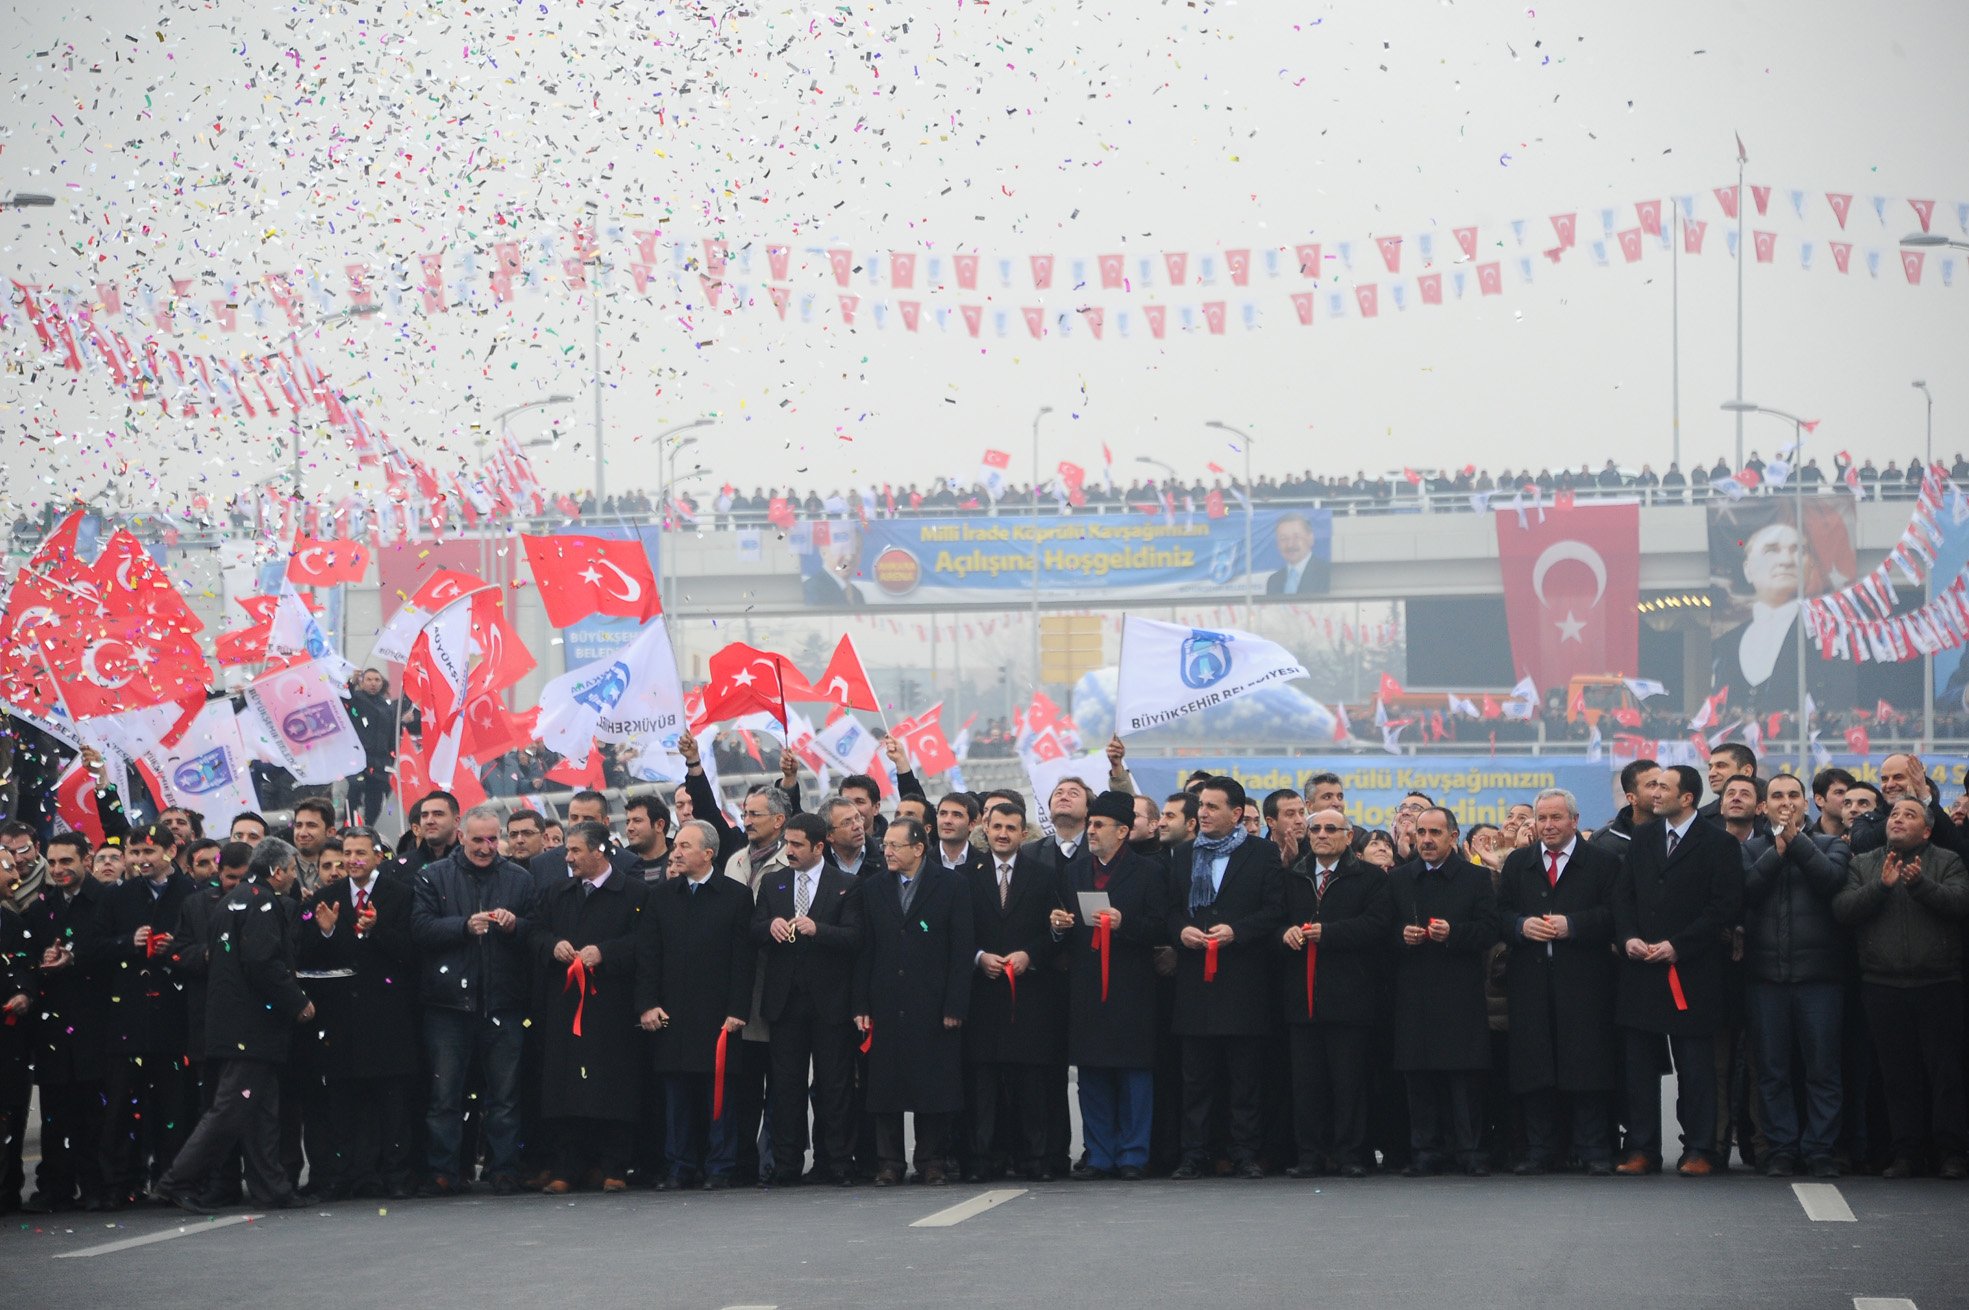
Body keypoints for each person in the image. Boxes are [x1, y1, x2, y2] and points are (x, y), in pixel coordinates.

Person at [151, 839, 315, 1214]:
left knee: (260, 1111)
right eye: (290, 870)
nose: (292, 877)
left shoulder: (233, 899)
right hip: (251, 1028)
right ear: (277, 871)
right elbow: (262, 962)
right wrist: (297, 1001)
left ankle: (272, 1188)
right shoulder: (261, 901)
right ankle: (177, 1181)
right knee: (228, 1111)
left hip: (235, 1026)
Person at [1613, 764, 1745, 1176]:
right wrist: (1629, 936)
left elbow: (1725, 906)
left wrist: (1679, 946)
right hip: (1641, 970)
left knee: (1696, 1067)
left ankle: (1700, 1148)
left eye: (1662, 787)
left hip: (1692, 971)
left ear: (1687, 797)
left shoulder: (1718, 843)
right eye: (1651, 786)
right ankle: (1642, 1148)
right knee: (1638, 1066)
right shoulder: (1643, 836)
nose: (1653, 793)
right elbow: (1624, 894)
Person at [1833, 798, 1969, 1178]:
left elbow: (1960, 902)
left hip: (1938, 984)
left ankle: (1951, 1153)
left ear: (1926, 830)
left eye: (1910, 815)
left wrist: (1920, 884)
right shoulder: (1864, 863)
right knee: (1897, 1075)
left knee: (1946, 1075)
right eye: (1894, 814)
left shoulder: (1947, 861)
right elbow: (1843, 909)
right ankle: (1906, 1152)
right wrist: (1880, 887)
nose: (1898, 820)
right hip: (1883, 985)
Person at [410, 804, 536, 1196]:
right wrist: (463, 926)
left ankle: (504, 1169)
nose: (486, 847)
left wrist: (516, 926)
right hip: (449, 1006)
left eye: (492, 839)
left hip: (503, 1003)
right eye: (478, 839)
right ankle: (443, 1170)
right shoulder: (433, 876)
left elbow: (537, 929)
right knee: (445, 1095)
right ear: (461, 836)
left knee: (506, 1097)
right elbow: (420, 928)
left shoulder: (519, 877)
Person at [1495, 789, 1622, 1175]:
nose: (1548, 826)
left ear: (1574, 821)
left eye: (1556, 818)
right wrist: (1519, 925)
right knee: (1535, 1068)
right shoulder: (1519, 863)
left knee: (1586, 1065)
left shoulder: (1601, 862)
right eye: (1542, 818)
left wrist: (1575, 925)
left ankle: (1592, 1147)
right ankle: (1540, 1149)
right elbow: (1498, 914)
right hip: (1530, 981)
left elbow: (1616, 915)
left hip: (1585, 982)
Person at [1048, 791, 1169, 1182]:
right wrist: (1058, 927)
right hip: (1087, 988)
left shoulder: (1149, 872)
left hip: (1131, 988)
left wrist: (1125, 925)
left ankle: (1134, 1154)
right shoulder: (1074, 872)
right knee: (1093, 1075)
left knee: (1134, 1076)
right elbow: (1065, 930)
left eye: (1100, 825)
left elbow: (1160, 926)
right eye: (1091, 824)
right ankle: (1100, 1153)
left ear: (1123, 830)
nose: (1091, 831)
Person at [1166, 777, 1284, 1179]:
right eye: (1201, 805)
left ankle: (1245, 1151)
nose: (1203, 812)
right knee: (1196, 1079)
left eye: (1213, 807)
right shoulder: (1182, 855)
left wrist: (1238, 931)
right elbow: (1168, 910)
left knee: (1245, 1078)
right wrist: (1180, 930)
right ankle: (1195, 1153)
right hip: (1195, 983)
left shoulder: (1262, 854)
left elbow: (1275, 910)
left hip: (1243, 982)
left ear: (1236, 814)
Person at [294, 826, 419, 1201]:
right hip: (341, 1020)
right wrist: (328, 933)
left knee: (391, 1103)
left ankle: (395, 1175)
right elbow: (306, 956)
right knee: (345, 1102)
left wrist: (377, 929)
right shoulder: (325, 897)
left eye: (360, 853)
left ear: (378, 856)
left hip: (388, 1017)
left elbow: (411, 954)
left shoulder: (401, 895)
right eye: (347, 853)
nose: (352, 861)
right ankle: (349, 1174)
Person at [528, 820, 649, 1193]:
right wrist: (553, 945)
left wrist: (606, 953)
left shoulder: (634, 894)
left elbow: (646, 943)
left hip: (612, 1007)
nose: (568, 858)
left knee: (613, 1088)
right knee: (566, 1089)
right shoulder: (556, 893)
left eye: (576, 850)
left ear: (599, 851)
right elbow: (533, 931)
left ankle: (613, 1166)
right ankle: (566, 1168)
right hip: (565, 1008)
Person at [1741, 773, 1852, 1179]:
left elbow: (1831, 882)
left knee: (1822, 1069)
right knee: (1773, 1071)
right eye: (1776, 796)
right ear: (1763, 806)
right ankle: (1782, 1148)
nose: (1785, 802)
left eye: (1793, 795)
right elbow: (1745, 892)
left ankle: (1820, 1149)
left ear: (1807, 803)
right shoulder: (1749, 849)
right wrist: (1777, 850)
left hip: (1820, 977)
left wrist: (1797, 843)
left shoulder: (1830, 846)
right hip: (1765, 977)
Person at [853, 817, 974, 1186]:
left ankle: (930, 1159)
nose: (886, 851)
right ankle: (889, 1161)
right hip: (886, 1002)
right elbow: (865, 950)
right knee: (885, 1087)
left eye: (895, 846)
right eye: (885, 844)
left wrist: (955, 1005)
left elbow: (961, 949)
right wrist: (861, 1004)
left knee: (932, 1086)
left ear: (919, 848)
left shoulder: (951, 886)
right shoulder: (873, 888)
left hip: (932, 1003)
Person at [637, 819, 756, 1190]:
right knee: (676, 1098)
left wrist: (738, 1010)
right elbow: (648, 957)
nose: (677, 852)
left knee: (719, 1094)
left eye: (686, 846)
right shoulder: (660, 897)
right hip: (671, 1015)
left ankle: (720, 1165)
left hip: (718, 1017)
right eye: (677, 846)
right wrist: (647, 1004)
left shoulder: (735, 897)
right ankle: (680, 1165)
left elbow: (743, 960)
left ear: (708, 853)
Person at [1277, 807, 1392, 1179]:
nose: (1322, 834)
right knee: (1306, 1084)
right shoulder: (1292, 877)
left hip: (1350, 996)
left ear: (1348, 836)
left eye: (1331, 828)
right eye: (1316, 829)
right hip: (1301, 996)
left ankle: (1350, 1154)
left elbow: (1377, 925)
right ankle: (1309, 1155)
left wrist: (1330, 933)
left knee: (1349, 1083)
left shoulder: (1370, 877)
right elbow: (1272, 920)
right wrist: (1285, 933)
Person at [751, 812, 863, 1187]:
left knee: (834, 1085)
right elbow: (753, 928)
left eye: (798, 844)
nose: (790, 851)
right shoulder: (773, 883)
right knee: (785, 1085)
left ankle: (837, 1161)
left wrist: (820, 929)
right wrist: (770, 926)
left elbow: (855, 937)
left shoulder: (846, 884)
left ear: (820, 846)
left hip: (830, 1002)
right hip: (786, 1002)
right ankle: (786, 1162)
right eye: (787, 843)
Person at [1388, 807, 1500, 1176]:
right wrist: (1401, 936)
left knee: (1463, 1077)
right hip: (1413, 991)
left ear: (1454, 837)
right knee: (1418, 1077)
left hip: (1459, 992)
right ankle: (1426, 1151)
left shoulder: (1476, 878)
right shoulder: (1400, 879)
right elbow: (1382, 931)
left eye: (1435, 832)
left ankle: (1471, 1151)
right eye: (1421, 833)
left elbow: (1489, 930)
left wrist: (1455, 933)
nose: (1427, 840)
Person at [98, 823, 197, 1205]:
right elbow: (94, 947)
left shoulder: (191, 893)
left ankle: (173, 1181)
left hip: (174, 1020)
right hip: (129, 1022)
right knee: (122, 1105)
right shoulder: (118, 897)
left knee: (176, 1106)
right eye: (134, 853)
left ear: (170, 852)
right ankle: (118, 1184)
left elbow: (204, 948)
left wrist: (176, 948)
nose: (140, 860)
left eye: (148, 853)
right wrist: (128, 942)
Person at [965, 799, 1063, 1182]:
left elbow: (1056, 932)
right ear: (985, 830)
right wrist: (977, 957)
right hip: (983, 995)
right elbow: (958, 933)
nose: (1003, 833)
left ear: (1024, 833)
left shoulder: (1043, 875)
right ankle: (980, 1161)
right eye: (997, 826)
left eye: (1011, 827)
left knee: (1031, 1087)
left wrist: (1030, 954)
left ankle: (1034, 1161)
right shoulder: (967, 876)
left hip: (1029, 997)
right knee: (982, 1087)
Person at [19, 832, 113, 1213]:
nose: (58, 870)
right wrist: (41, 963)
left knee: (95, 1110)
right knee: (56, 1112)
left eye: (66, 862)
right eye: (53, 863)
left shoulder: (108, 901)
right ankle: (56, 1186)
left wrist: (76, 957)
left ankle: (97, 1185)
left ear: (86, 860)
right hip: (53, 1026)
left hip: (97, 1023)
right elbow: (26, 960)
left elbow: (119, 946)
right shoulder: (39, 909)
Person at [345, 668, 399, 824]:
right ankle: (350, 823)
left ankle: (370, 827)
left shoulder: (387, 707)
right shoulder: (356, 699)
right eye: (369, 679)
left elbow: (392, 733)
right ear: (362, 682)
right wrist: (350, 682)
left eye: (377, 680)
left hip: (380, 761)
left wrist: (391, 757)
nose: (373, 683)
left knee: (375, 798)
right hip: (359, 758)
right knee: (355, 788)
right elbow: (343, 700)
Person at [388, 790, 461, 883]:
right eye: (424, 815)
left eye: (438, 814)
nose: (429, 821)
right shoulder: (401, 867)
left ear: (456, 821)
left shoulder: (472, 862)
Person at [1264, 511, 1330, 595]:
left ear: (1310, 538)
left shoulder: (1327, 574)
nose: (1290, 544)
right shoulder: (1273, 581)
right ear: (1277, 544)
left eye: (1296, 537)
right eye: (1284, 538)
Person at [624, 793, 672, 878]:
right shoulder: (620, 865)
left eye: (637, 821)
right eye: (628, 822)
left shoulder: (681, 862)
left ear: (659, 825)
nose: (629, 828)